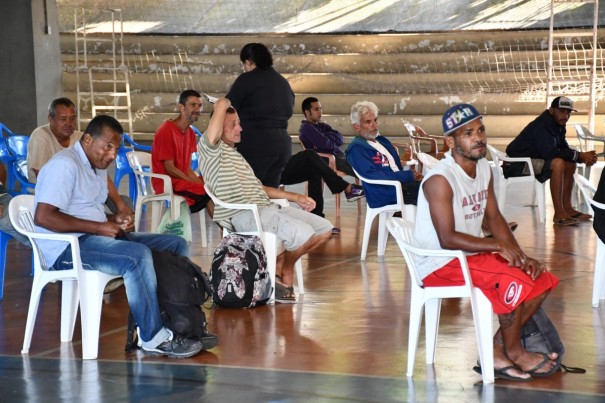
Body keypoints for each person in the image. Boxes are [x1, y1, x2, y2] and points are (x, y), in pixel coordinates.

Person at [34, 114, 215, 357]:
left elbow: (88, 212)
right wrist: (100, 227)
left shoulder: (94, 166)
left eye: (116, 148)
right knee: (136, 256)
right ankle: (151, 337)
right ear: (88, 140)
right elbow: (44, 217)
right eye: (107, 146)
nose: (111, 155)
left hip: (91, 237)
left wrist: (114, 219)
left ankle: (177, 320)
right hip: (66, 248)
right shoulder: (64, 165)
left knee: (175, 244)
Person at [414, 103, 560, 381]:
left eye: (481, 130)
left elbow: (494, 219)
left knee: (540, 278)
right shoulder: (440, 179)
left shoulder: (484, 170)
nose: (478, 137)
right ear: (450, 141)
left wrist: (520, 255)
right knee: (511, 281)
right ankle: (515, 352)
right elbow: (447, 238)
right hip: (440, 262)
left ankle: (495, 348)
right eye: (468, 133)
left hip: (468, 255)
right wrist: (496, 246)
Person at [197, 98, 332, 302]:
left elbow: (259, 188)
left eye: (239, 123)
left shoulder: (236, 155)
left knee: (324, 229)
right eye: (233, 125)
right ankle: (282, 274)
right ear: (217, 128)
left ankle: (279, 267)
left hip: (265, 207)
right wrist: (222, 103)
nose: (240, 128)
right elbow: (212, 134)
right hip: (243, 214)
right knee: (302, 234)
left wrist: (295, 197)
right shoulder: (210, 151)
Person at [28, 97, 134, 217]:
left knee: (125, 204)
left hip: (85, 190)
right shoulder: (40, 137)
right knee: (91, 216)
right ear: (50, 119)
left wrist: (120, 205)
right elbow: (44, 177)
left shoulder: (81, 137)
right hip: (55, 193)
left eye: (72, 119)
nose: (69, 124)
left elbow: (102, 174)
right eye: (63, 119)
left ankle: (123, 234)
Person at [505, 96, 597, 226]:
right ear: (552, 110)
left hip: (534, 160)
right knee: (557, 163)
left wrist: (580, 157)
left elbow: (563, 148)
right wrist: (579, 155)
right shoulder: (543, 125)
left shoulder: (558, 124)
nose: (565, 115)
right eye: (562, 111)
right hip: (516, 164)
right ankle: (559, 214)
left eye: (568, 112)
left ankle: (567, 208)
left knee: (570, 163)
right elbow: (550, 153)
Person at [225, 43, 294, 188]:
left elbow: (227, 108)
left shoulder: (247, 79)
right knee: (269, 193)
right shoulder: (282, 82)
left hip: (256, 144)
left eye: (244, 64)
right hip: (282, 145)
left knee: (249, 192)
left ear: (248, 62)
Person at [346, 101, 423, 207]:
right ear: (357, 126)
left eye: (375, 120)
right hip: (385, 192)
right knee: (434, 191)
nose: (374, 125)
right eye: (368, 122)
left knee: (437, 184)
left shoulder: (381, 141)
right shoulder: (356, 148)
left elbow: (392, 166)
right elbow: (374, 175)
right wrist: (407, 175)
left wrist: (410, 174)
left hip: (401, 186)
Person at [151, 89, 212, 216]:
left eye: (199, 105)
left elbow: (187, 168)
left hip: (180, 180)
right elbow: (170, 168)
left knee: (214, 185)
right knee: (208, 192)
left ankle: (228, 231)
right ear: (181, 107)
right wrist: (194, 183)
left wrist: (199, 181)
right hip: (166, 182)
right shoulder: (166, 130)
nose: (197, 109)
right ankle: (228, 231)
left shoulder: (190, 132)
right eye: (192, 105)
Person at [280, 150, 365, 223]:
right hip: (273, 170)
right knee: (310, 154)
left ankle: (317, 218)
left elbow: (337, 140)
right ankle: (346, 188)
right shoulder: (308, 130)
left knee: (314, 170)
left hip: (280, 164)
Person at [299, 96, 356, 177]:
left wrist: (325, 136)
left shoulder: (322, 125)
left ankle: (361, 188)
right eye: (316, 109)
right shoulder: (306, 128)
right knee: (360, 168)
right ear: (307, 112)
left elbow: (340, 138)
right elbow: (324, 144)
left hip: (338, 156)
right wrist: (331, 141)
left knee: (361, 161)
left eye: (320, 109)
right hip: (327, 160)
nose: (320, 112)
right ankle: (359, 188)